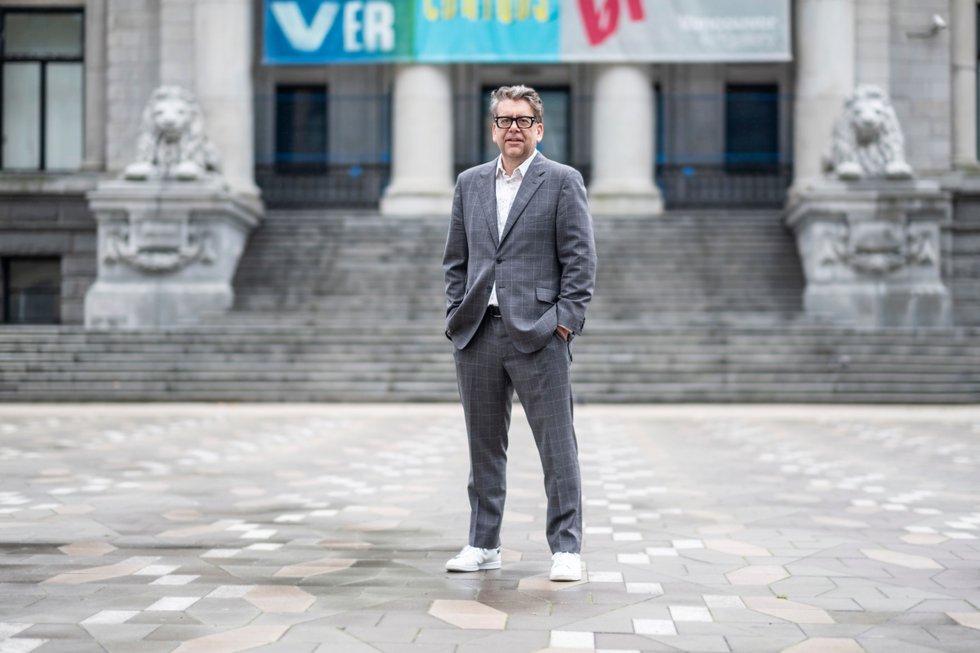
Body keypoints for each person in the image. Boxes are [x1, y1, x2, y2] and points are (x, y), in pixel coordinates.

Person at [442, 85, 597, 581]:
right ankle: (483, 543)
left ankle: (566, 548)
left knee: (558, 446)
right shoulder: (469, 183)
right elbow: (456, 259)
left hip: (539, 334)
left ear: (539, 129)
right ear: (493, 129)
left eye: (523, 121)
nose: (514, 128)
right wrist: (455, 311)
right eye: (505, 120)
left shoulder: (562, 181)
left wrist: (564, 323)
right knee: (483, 445)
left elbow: (580, 260)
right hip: (478, 333)